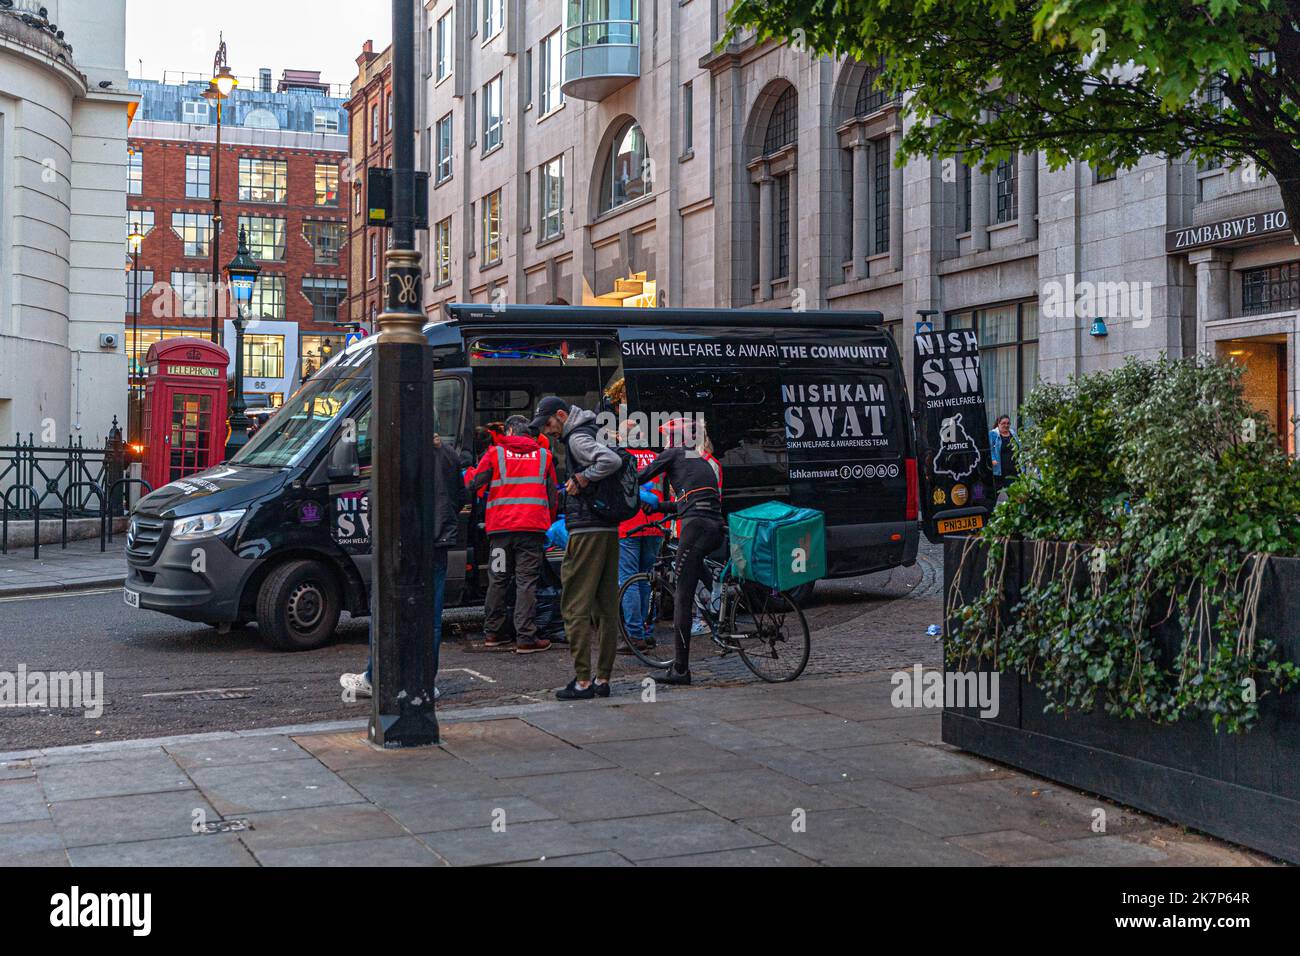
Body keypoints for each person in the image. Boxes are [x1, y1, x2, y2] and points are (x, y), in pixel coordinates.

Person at [339, 432, 464, 700]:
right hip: (436, 543)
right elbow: (460, 496)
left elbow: (378, 501)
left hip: (400, 545)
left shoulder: (393, 452)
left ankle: (378, 677)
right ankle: (423, 681)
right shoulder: (449, 455)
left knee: (387, 610)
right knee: (429, 617)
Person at [531, 395, 624, 700]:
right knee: (606, 606)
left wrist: (583, 477)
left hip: (587, 530)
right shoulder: (596, 428)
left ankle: (583, 680)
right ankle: (603, 679)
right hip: (609, 528)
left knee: (573, 604)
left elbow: (611, 461)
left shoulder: (577, 438)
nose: (548, 431)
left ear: (561, 414)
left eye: (549, 424)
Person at [637, 417, 724, 685]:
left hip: (695, 527)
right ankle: (720, 604)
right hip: (714, 526)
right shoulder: (700, 460)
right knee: (693, 567)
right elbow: (688, 502)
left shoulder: (673, 453)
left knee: (682, 597)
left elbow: (640, 477)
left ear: (675, 439)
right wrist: (659, 507)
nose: (664, 442)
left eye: (666, 437)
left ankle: (681, 670)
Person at [464, 415, 557, 654]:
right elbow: (553, 496)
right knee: (526, 582)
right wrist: (547, 520)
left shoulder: (495, 454)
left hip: (500, 532)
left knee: (498, 578)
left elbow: (473, 483)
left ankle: (493, 632)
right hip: (531, 531)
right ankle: (526, 637)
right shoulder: (545, 457)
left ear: (509, 431)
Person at [617, 422, 667, 654]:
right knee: (647, 579)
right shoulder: (657, 458)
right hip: (655, 524)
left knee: (629, 581)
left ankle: (635, 636)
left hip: (628, 525)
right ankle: (647, 632)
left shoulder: (620, 459)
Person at [988, 414, 1021, 493]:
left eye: (1008, 423)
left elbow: (1019, 447)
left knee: (1015, 495)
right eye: (1003, 423)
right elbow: (990, 449)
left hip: (1012, 470)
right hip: (999, 471)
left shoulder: (1012, 433)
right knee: (993, 496)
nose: (1006, 425)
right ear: (998, 424)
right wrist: (992, 459)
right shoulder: (993, 434)